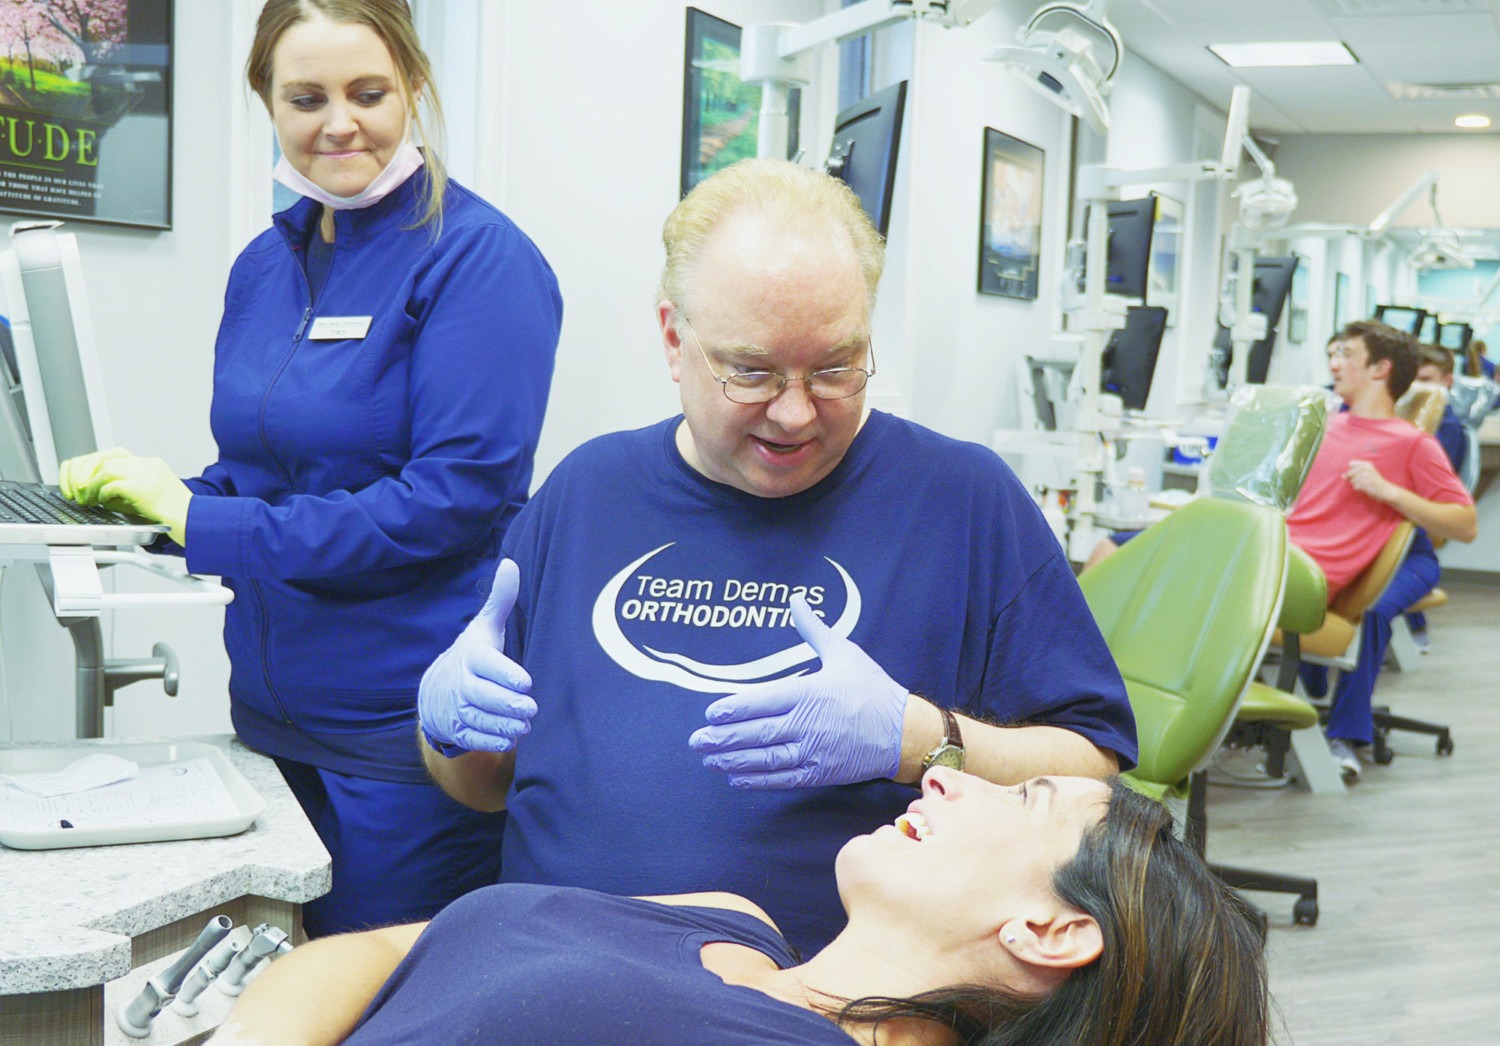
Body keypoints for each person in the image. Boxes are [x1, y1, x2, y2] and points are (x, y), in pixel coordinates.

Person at [417, 158, 1136, 954]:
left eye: (835, 366)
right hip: (549, 971)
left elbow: (1093, 775)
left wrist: (920, 738)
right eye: (751, 371)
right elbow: (481, 787)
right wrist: (446, 730)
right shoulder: (585, 492)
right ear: (672, 338)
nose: (795, 413)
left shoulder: (963, 502)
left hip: (815, 1004)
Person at [60, 0, 561, 936]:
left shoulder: (480, 261)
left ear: (413, 85)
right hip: (266, 722)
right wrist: (151, 509)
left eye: (369, 93)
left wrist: (202, 522)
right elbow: (264, 471)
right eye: (306, 97)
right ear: (267, 100)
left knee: (379, 1008)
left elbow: (446, 502)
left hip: (404, 743)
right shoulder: (265, 262)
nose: (339, 123)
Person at [211, 769, 1270, 1046]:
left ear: (1053, 926)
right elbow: (401, 940)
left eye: (1023, 793)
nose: (951, 776)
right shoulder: (731, 918)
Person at [1289, 321, 1475, 778]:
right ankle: (1308, 700)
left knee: (1372, 611)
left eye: (1345, 354)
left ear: (1381, 368)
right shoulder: (1327, 425)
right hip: (1345, 547)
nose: (1333, 363)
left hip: (1408, 553)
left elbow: (1465, 524)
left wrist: (1388, 491)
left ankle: (1344, 736)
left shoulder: (1412, 443)